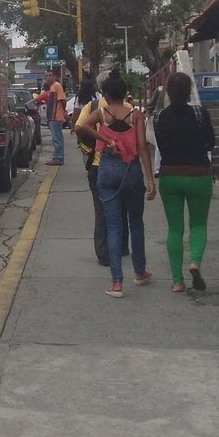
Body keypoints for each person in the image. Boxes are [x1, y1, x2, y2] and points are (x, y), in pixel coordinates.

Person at [74, 72, 156, 297]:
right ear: (125, 94)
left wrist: (105, 140)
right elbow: (142, 148)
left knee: (113, 225)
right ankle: (140, 272)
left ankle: (116, 282)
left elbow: (81, 128)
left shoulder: (102, 112)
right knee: (136, 223)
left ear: (107, 95)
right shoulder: (136, 115)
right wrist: (150, 180)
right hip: (131, 171)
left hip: (107, 171)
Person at [153, 72, 216, 293]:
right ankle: (195, 262)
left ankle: (177, 281)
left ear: (168, 92)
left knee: (175, 228)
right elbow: (211, 142)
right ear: (189, 90)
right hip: (199, 174)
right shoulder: (200, 114)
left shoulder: (159, 117)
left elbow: (160, 145)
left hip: (170, 176)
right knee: (198, 225)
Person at [73, 78, 128, 266]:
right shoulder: (130, 109)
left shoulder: (94, 106)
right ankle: (122, 247)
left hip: (98, 165)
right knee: (122, 208)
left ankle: (104, 254)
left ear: (104, 92)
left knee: (102, 211)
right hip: (125, 165)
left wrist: (100, 140)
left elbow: (79, 127)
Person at [35, 70, 68, 165]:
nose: (48, 77)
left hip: (56, 117)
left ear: (55, 76)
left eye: (50, 75)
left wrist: (62, 111)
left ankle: (59, 158)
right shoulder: (52, 87)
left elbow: (62, 100)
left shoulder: (57, 85)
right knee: (55, 138)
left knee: (57, 138)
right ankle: (56, 157)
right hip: (52, 117)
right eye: (46, 76)